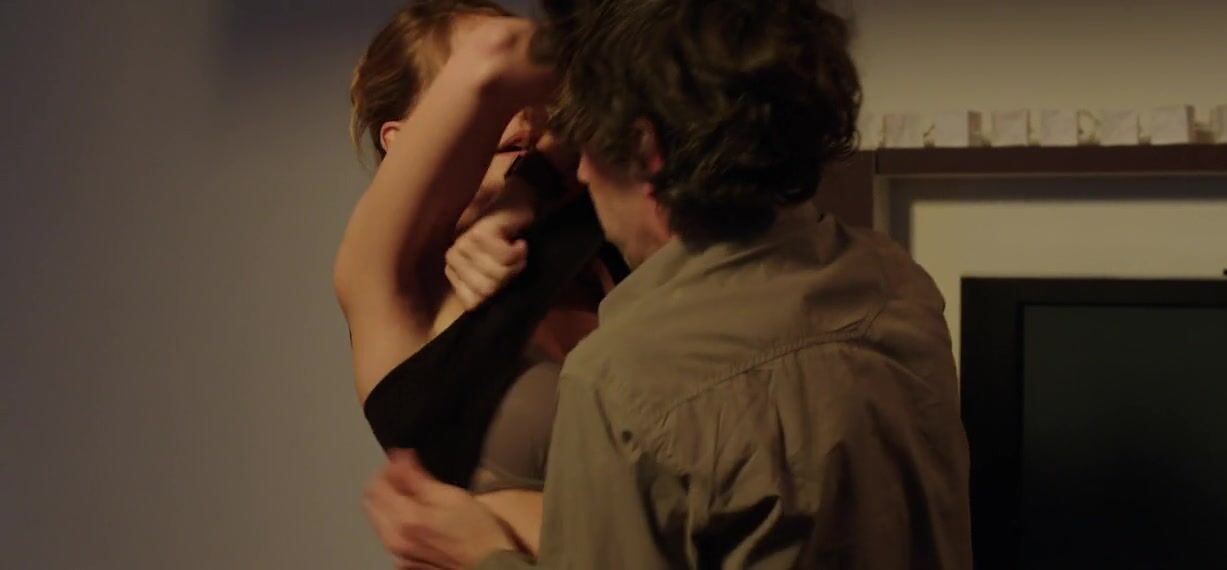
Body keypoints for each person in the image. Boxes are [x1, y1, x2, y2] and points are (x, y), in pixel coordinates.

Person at [363, 1, 974, 568]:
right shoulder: (897, 285)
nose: (559, 147)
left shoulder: (621, 358)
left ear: (642, 145)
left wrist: (485, 555)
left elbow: (501, 57)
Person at [335, 0, 613, 561]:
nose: (523, 110)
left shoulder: (606, 221)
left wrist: (524, 193)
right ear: (401, 139)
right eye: (497, 101)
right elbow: (496, 59)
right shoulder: (388, 279)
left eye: (531, 93)